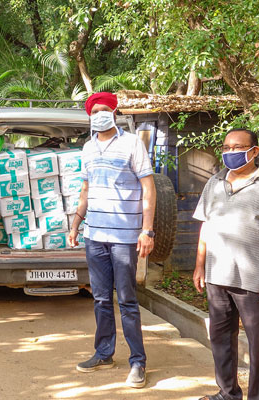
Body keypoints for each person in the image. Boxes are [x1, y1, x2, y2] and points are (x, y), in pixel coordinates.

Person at [68, 92, 156, 388]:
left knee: (127, 300)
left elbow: (148, 188)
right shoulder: (88, 147)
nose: (100, 115)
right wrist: (75, 224)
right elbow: (85, 190)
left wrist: (147, 230)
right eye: (95, 112)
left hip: (124, 238)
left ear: (115, 112)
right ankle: (104, 352)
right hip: (95, 236)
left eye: (105, 110)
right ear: (89, 116)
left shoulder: (132, 143)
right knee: (101, 299)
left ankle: (138, 362)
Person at [193, 128, 259, 400]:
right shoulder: (214, 182)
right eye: (226, 148)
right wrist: (199, 265)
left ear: (254, 151)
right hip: (216, 277)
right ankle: (227, 393)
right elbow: (205, 225)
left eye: (237, 148)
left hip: (254, 280)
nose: (230, 153)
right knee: (220, 341)